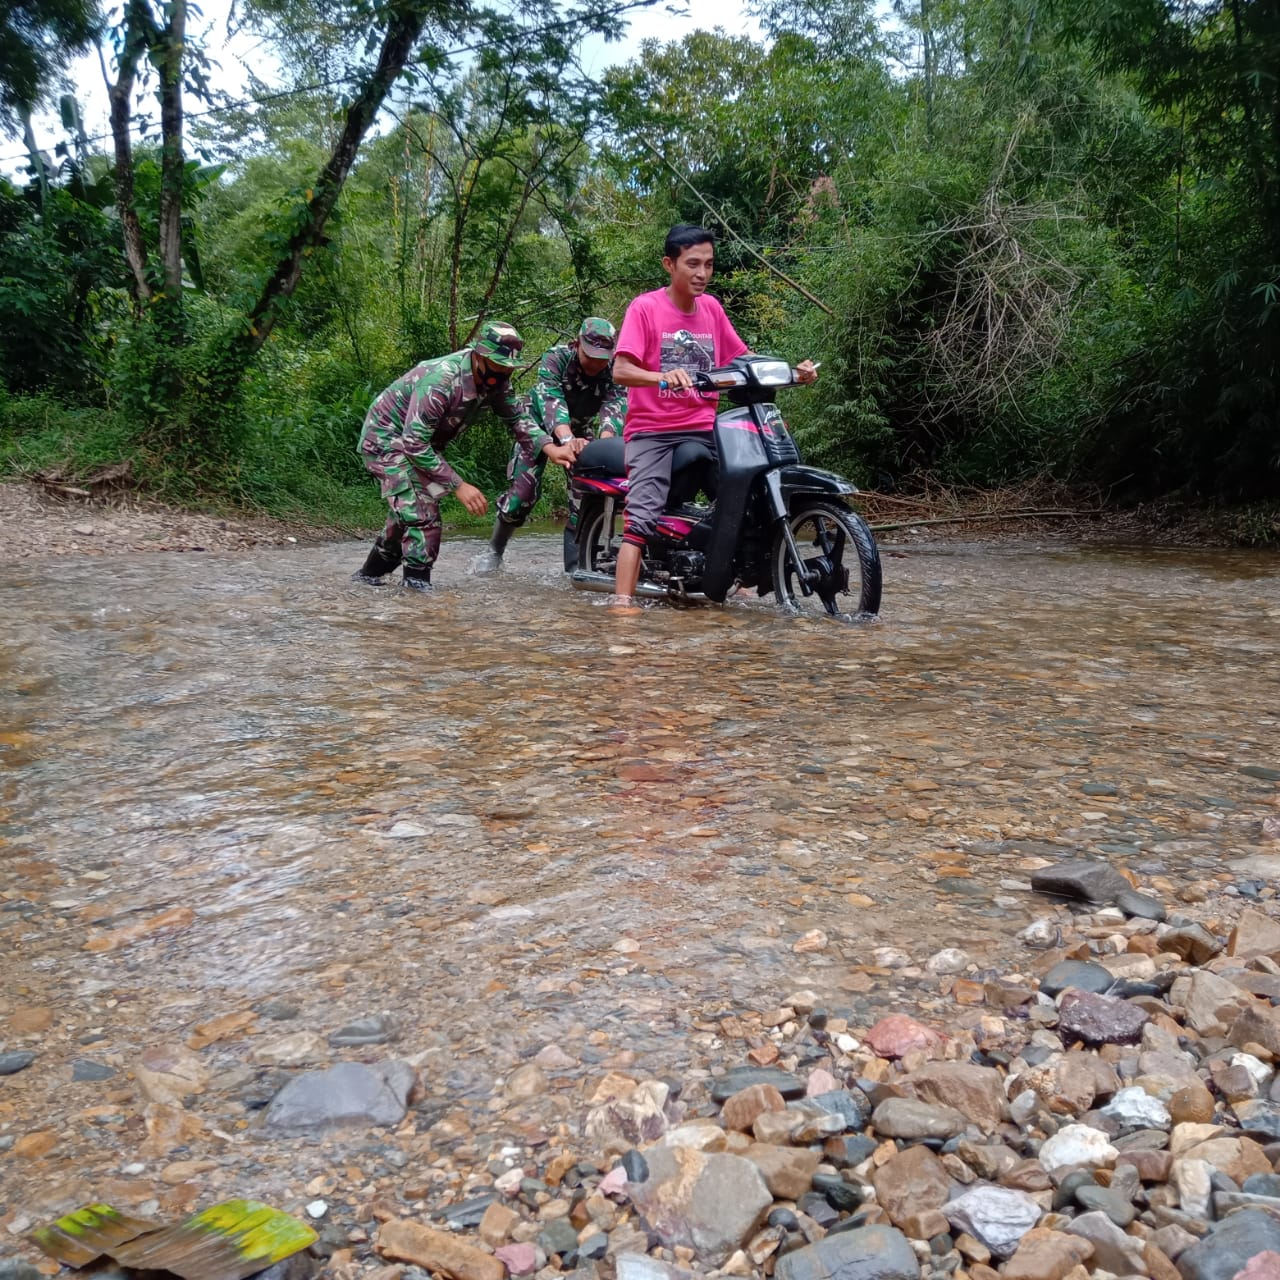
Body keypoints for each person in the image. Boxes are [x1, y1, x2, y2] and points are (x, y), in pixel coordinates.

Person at [608, 223, 818, 605]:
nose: (702, 273)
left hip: (706, 428)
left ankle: (739, 579)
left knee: (748, 494)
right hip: (653, 432)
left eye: (708, 264)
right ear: (669, 265)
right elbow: (621, 370)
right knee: (641, 517)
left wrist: (793, 371)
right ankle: (621, 608)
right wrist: (661, 376)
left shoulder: (712, 309)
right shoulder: (645, 308)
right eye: (692, 264)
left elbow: (742, 358)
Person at [351, 322, 577, 591]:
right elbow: (414, 444)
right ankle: (417, 593)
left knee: (407, 514)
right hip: (387, 441)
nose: (503, 373)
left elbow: (517, 418)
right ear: (479, 356)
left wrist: (551, 448)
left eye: (508, 368)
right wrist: (458, 485)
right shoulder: (441, 381)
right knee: (423, 514)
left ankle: (366, 579)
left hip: (419, 444)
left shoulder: (497, 380)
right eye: (498, 365)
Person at [475, 317, 627, 574]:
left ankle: (577, 571)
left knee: (586, 496)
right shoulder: (556, 358)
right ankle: (494, 551)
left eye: (602, 358)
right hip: (537, 426)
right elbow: (550, 401)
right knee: (522, 496)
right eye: (591, 356)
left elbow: (614, 408)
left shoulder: (616, 368)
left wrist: (603, 444)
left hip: (581, 432)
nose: (596, 363)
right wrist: (566, 440)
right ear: (577, 344)